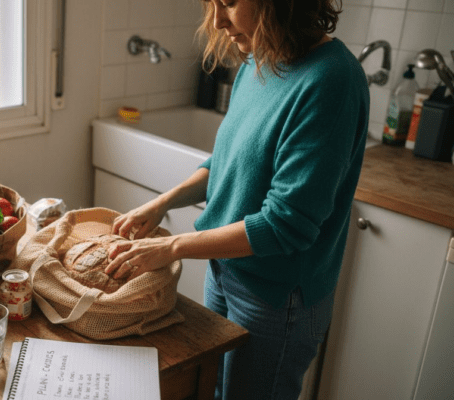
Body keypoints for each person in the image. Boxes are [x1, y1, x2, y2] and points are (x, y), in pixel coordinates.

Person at [104, 0, 369, 399]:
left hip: (276, 297)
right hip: (226, 271)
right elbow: (228, 162)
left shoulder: (331, 80)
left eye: (228, 2)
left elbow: (284, 224)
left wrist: (171, 247)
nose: (216, 21)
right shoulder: (259, 59)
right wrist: (163, 203)